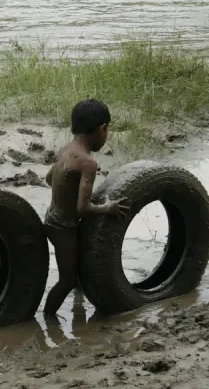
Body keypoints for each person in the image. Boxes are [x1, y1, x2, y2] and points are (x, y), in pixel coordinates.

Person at [43, 98, 130, 316]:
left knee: (75, 269)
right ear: (102, 128)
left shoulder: (65, 149)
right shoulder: (87, 163)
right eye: (107, 130)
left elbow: (48, 178)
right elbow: (83, 208)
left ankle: (77, 310)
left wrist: (65, 194)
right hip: (64, 227)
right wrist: (107, 207)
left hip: (53, 218)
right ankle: (47, 321)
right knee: (67, 279)